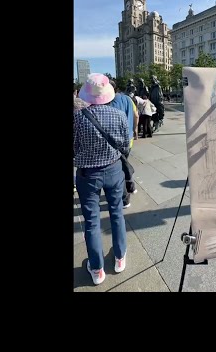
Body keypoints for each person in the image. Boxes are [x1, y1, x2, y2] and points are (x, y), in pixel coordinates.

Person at [74, 73, 129, 285]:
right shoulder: (118, 115)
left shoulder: (78, 117)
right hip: (114, 170)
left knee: (92, 221)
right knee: (116, 213)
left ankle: (96, 270)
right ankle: (120, 257)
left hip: (88, 174)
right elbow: (125, 145)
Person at [108, 80, 139, 208]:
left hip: (116, 142)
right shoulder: (127, 98)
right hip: (129, 140)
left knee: (119, 168)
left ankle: (125, 198)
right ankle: (131, 186)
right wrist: (135, 130)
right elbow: (136, 115)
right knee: (124, 163)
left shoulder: (110, 103)